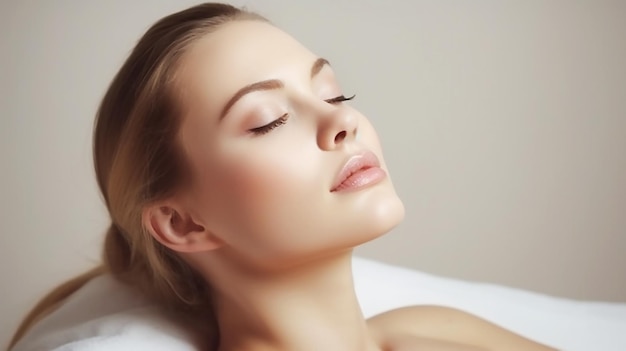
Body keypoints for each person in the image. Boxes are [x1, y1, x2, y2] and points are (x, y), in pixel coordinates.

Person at [9, 3, 557, 351]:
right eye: (268, 121)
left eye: (334, 92)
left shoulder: (439, 329)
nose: (343, 120)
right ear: (182, 222)